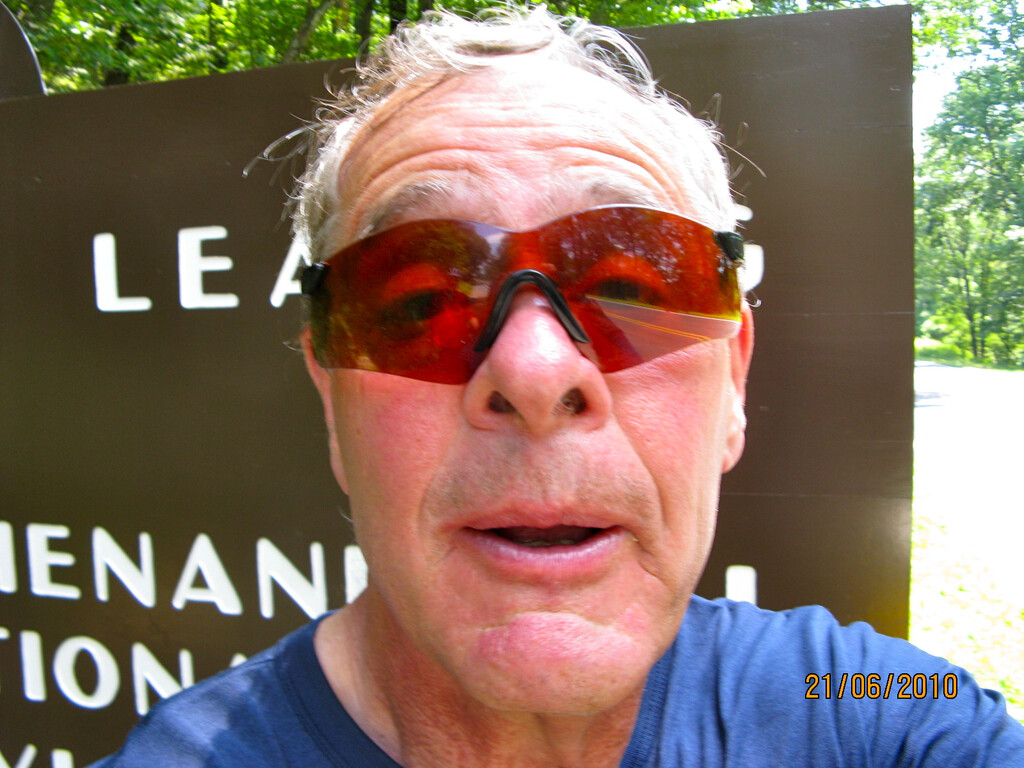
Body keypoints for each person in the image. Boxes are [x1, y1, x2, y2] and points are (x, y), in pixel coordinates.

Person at [90, 6, 1024, 767]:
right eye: (419, 302)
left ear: (733, 382)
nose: (535, 372)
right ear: (332, 400)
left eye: (631, 290)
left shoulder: (866, 699)